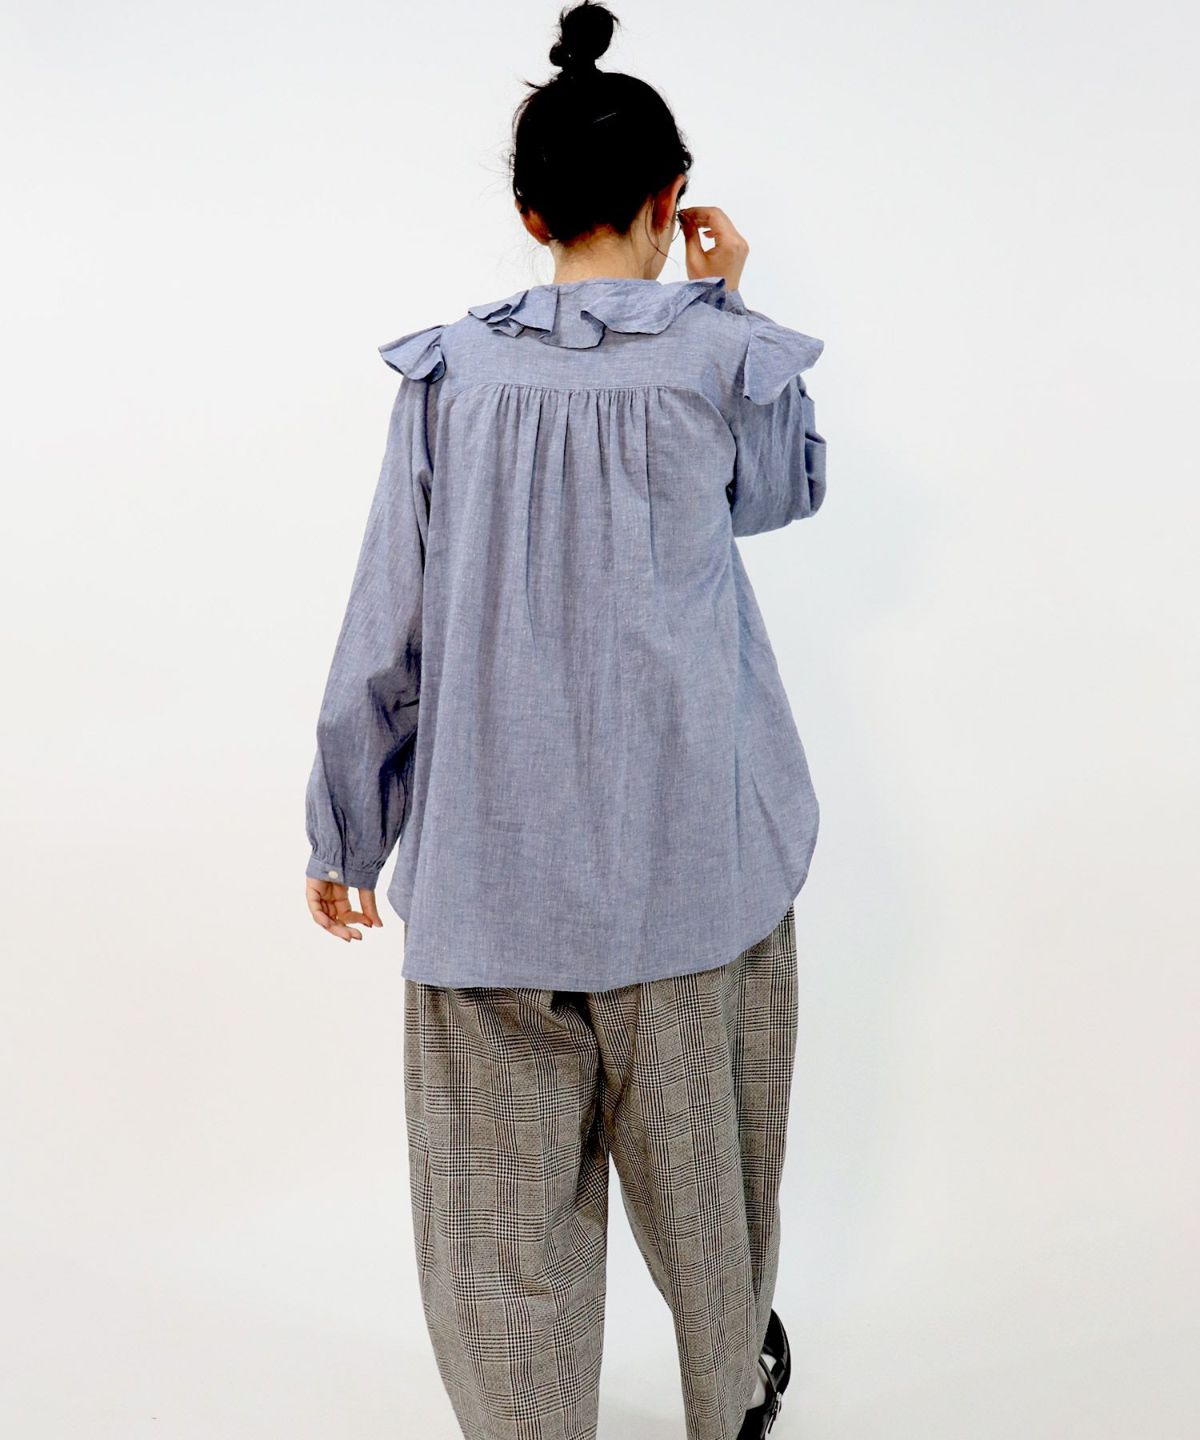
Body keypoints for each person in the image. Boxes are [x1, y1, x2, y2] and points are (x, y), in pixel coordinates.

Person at [302, 3, 827, 1436]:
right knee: (715, 1202)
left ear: (529, 214)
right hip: (692, 872)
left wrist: (348, 827)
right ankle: (730, 1403)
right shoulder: (717, 361)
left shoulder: (450, 379)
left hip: (492, 891)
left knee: (502, 1245)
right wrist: (728, 302)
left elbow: (389, 620)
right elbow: (782, 496)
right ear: (672, 198)